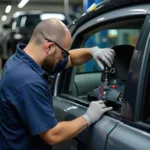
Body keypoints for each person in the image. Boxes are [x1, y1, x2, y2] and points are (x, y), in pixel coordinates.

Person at [0, 18, 115, 150]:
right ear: (49, 47)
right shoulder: (28, 82)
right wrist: (89, 117)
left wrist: (92, 51)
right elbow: (52, 135)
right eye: (63, 53)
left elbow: (71, 58)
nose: (64, 57)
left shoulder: (21, 60)